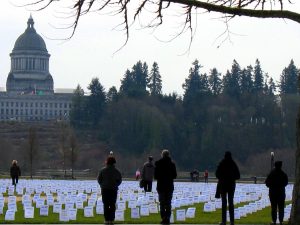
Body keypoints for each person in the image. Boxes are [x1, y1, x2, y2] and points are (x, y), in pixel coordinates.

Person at [215, 151, 240, 225]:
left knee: (224, 203)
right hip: (231, 185)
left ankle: (224, 221)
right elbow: (238, 175)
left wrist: (222, 178)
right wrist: (232, 178)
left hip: (223, 185)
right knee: (231, 202)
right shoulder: (233, 164)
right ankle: (232, 221)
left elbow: (217, 174)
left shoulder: (222, 163)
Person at [97, 156, 122, 224]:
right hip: (113, 189)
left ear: (107, 162)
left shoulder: (102, 170)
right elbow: (119, 180)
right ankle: (111, 220)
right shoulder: (117, 171)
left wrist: (102, 185)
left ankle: (106, 220)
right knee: (112, 205)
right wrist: (116, 185)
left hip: (105, 189)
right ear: (114, 163)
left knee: (106, 204)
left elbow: (99, 179)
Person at [154, 149, 177, 224]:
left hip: (161, 186)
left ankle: (163, 218)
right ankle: (168, 218)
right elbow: (175, 175)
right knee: (168, 203)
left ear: (162, 155)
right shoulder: (172, 164)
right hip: (169, 186)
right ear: (168, 155)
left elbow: (156, 176)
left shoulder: (158, 163)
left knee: (162, 203)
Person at [265, 161, 288, 225]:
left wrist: (272, 186)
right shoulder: (283, 174)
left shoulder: (271, 174)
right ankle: (281, 221)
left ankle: (274, 221)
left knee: (273, 207)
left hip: (273, 193)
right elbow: (286, 183)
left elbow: (267, 183)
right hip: (281, 193)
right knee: (281, 208)